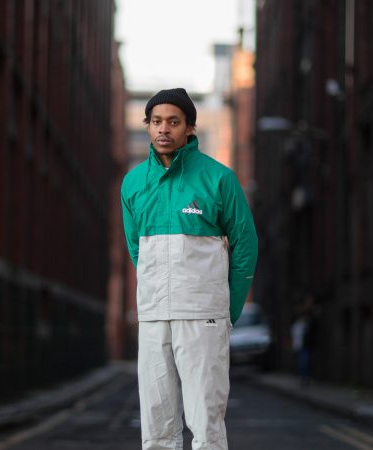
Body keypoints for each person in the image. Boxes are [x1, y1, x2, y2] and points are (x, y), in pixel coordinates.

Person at [121, 88, 258, 450]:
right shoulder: (133, 183)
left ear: (190, 128)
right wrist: (153, 293)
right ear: (148, 126)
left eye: (173, 122)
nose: (163, 129)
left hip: (203, 316)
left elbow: (246, 245)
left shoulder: (218, 178)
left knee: (206, 425)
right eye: (156, 121)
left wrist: (227, 308)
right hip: (153, 316)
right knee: (156, 429)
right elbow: (136, 248)